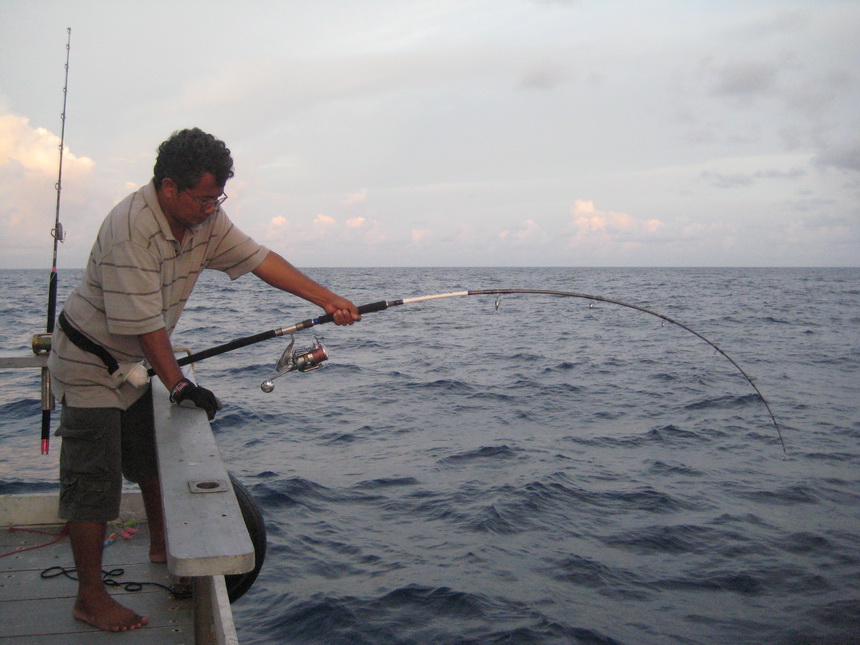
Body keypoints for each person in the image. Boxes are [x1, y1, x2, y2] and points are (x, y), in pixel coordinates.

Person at [47, 128, 361, 632]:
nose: (213, 207)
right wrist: (178, 384)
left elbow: (261, 260)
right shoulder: (132, 228)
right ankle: (90, 596)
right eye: (205, 197)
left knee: (149, 461)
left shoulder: (205, 220)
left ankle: (161, 546)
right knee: (93, 485)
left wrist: (327, 299)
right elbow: (148, 326)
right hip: (89, 365)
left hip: (134, 366)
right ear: (169, 188)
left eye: (219, 197)